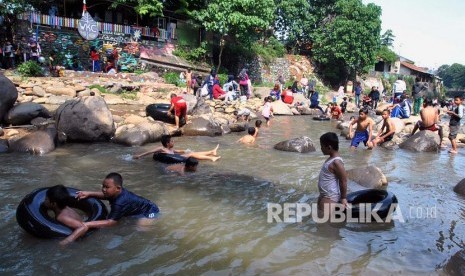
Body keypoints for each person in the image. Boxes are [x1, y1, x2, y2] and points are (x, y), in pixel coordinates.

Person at [76, 172, 160, 228]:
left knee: (140, 228)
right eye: (103, 186)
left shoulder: (120, 202)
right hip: (141, 207)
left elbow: (112, 222)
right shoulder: (116, 193)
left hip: (150, 211)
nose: (104, 189)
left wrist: (86, 224)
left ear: (118, 188)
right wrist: (89, 193)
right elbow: (105, 196)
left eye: (107, 187)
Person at [317, 132, 348, 218]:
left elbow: (343, 181)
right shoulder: (331, 159)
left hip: (330, 198)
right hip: (324, 196)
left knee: (326, 226)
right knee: (320, 223)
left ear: (329, 147)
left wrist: (343, 198)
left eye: (322, 146)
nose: (321, 148)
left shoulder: (336, 162)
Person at [133, 135, 221, 162]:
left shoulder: (170, 150)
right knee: (191, 154)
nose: (173, 142)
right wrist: (140, 156)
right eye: (172, 141)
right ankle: (211, 158)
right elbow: (150, 151)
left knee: (192, 152)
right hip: (177, 159)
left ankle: (211, 152)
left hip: (178, 157)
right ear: (167, 143)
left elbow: (177, 151)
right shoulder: (162, 149)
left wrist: (185, 150)